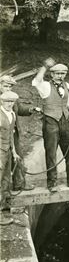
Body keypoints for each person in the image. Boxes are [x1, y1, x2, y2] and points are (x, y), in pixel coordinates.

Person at [32, 58, 69, 192]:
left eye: (63, 73)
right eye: (57, 73)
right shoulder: (45, 86)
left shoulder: (67, 86)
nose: (60, 76)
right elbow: (35, 82)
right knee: (51, 154)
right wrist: (45, 66)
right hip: (50, 122)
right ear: (52, 74)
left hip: (65, 121)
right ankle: (52, 184)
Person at [0, 74, 37, 192]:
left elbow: (20, 109)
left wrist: (31, 109)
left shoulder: (11, 98)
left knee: (18, 156)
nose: (8, 89)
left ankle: (19, 184)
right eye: (6, 86)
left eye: (10, 87)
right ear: (0, 85)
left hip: (12, 134)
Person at [0, 90, 20, 225]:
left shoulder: (12, 114)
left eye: (12, 102)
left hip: (7, 151)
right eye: (7, 101)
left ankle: (4, 208)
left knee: (6, 180)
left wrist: (14, 152)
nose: (9, 104)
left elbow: (11, 135)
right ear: (1, 101)